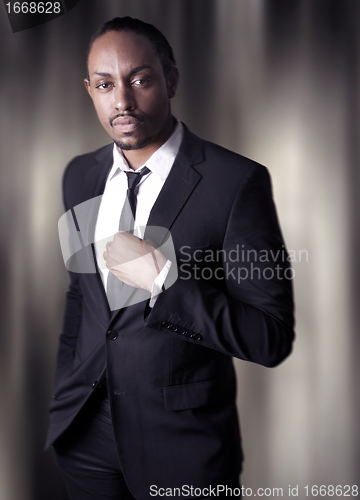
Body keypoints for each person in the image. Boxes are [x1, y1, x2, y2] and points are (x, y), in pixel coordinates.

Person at [46, 16, 295, 500]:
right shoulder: (78, 177)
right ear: (89, 90)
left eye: (139, 79)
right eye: (105, 84)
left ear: (171, 79)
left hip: (184, 448)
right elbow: (81, 299)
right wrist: (64, 396)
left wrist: (163, 280)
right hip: (85, 441)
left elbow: (271, 338)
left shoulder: (235, 183)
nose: (122, 101)